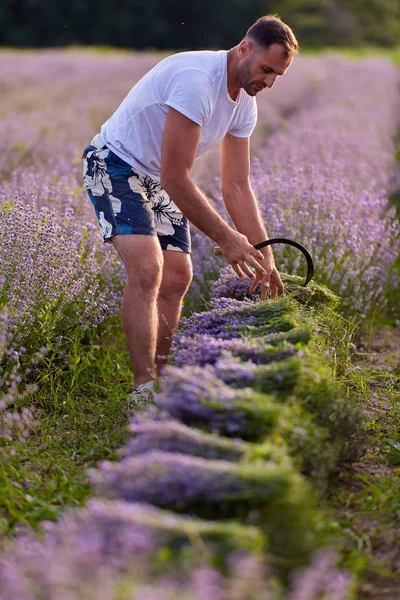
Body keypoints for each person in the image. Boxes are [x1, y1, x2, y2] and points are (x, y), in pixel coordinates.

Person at [82, 14, 298, 409]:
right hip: (114, 164)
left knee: (179, 275)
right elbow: (175, 176)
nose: (268, 82)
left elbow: (236, 185)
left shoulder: (244, 104)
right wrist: (226, 238)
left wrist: (265, 257)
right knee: (148, 269)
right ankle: (143, 387)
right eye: (267, 70)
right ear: (245, 48)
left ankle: (163, 382)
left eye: (277, 76)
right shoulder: (197, 80)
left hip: (154, 176)